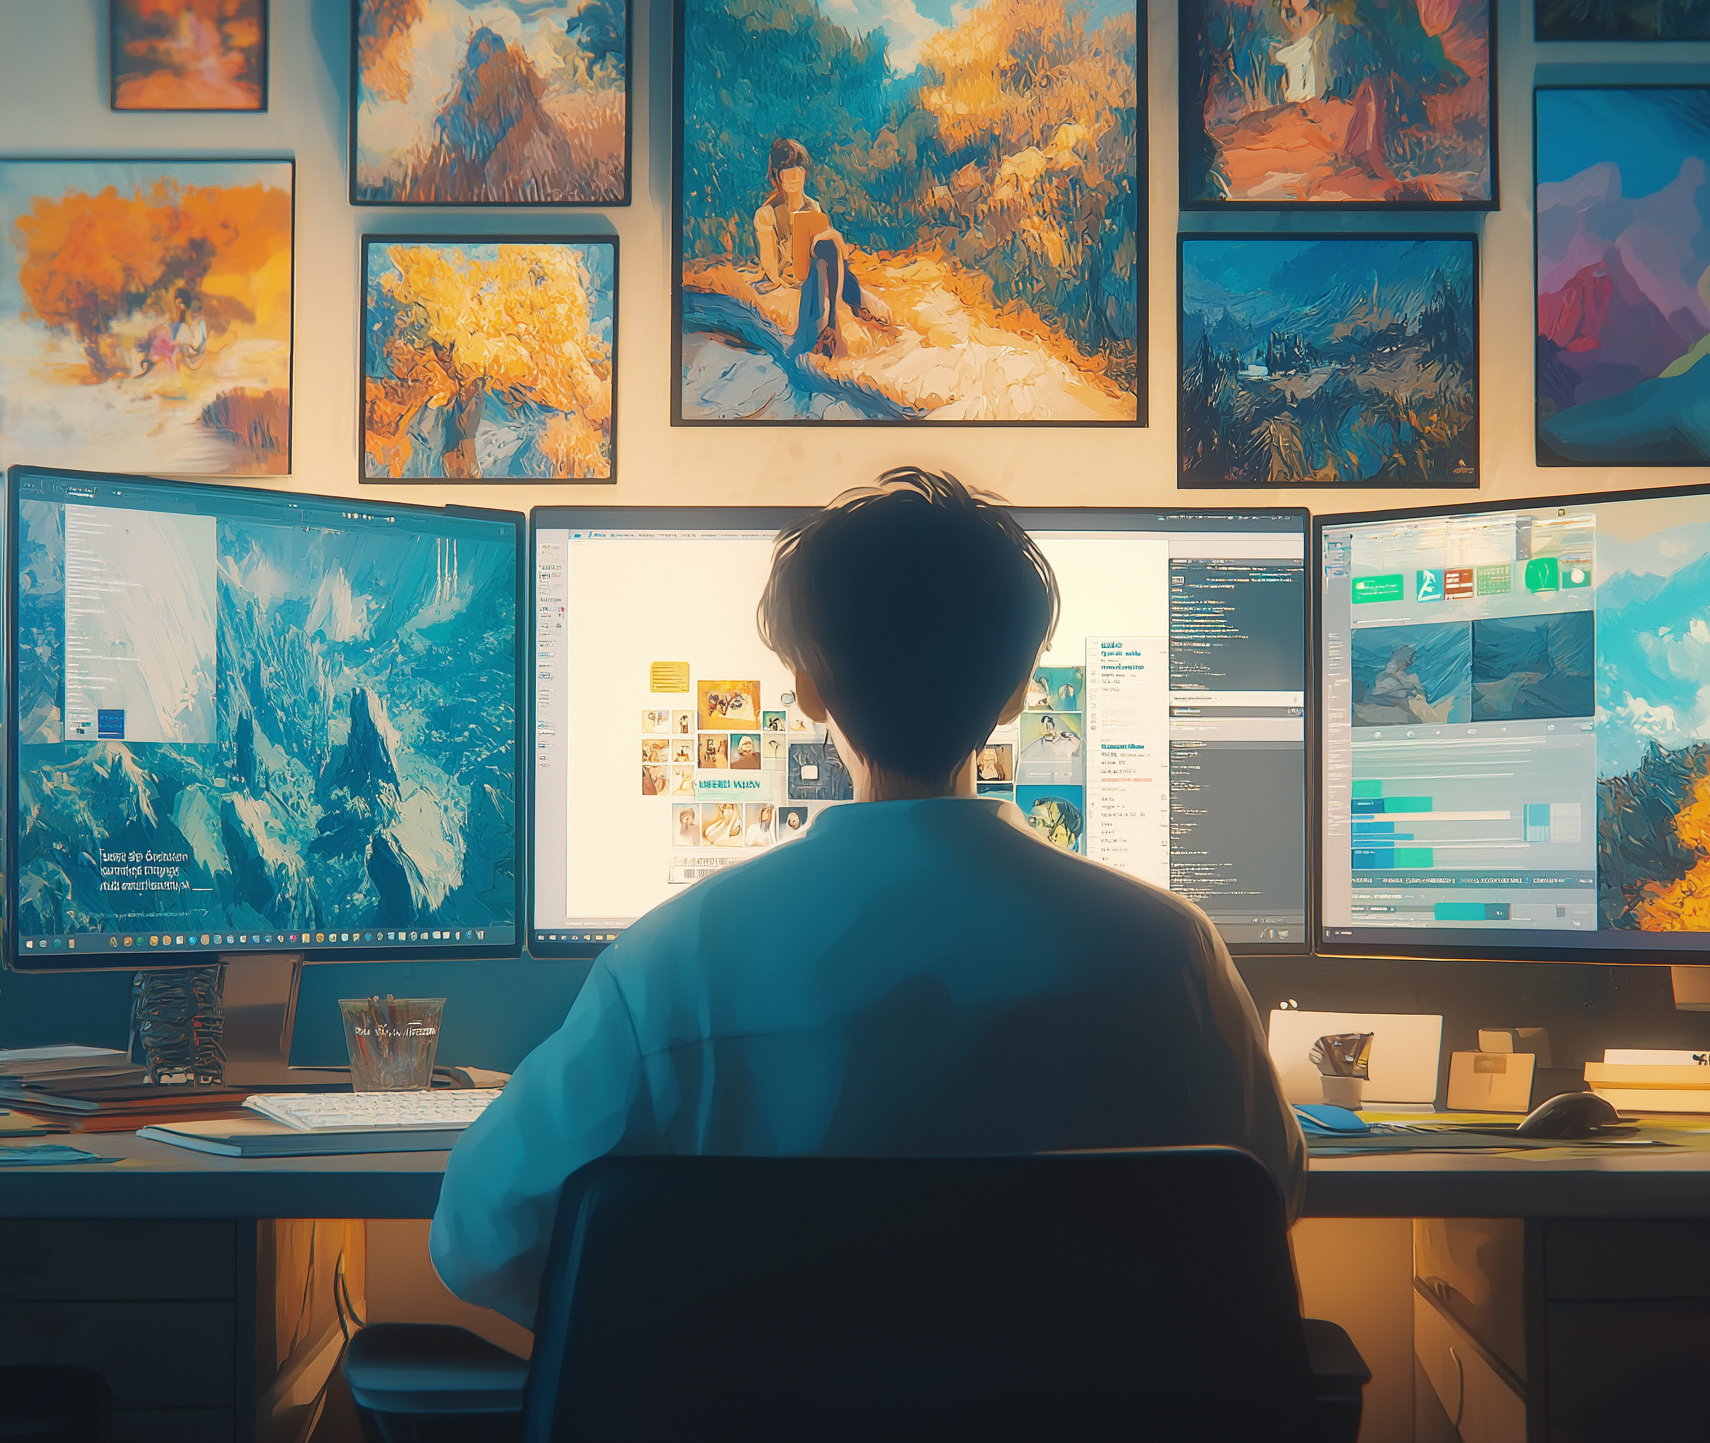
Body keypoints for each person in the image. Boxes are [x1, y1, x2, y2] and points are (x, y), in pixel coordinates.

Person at [435, 468, 1301, 1327]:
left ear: (807, 687)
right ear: (1014, 694)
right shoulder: (1173, 953)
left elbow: (481, 1237)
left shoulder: (670, 966)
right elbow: (1268, 1196)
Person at [751, 139, 892, 367]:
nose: (794, 175)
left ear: (805, 172)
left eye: (798, 168)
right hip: (794, 278)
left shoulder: (813, 207)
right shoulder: (766, 215)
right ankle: (851, 302)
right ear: (776, 176)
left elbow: (830, 252)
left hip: (820, 271)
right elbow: (772, 269)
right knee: (822, 253)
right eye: (787, 170)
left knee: (828, 242)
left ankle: (844, 310)